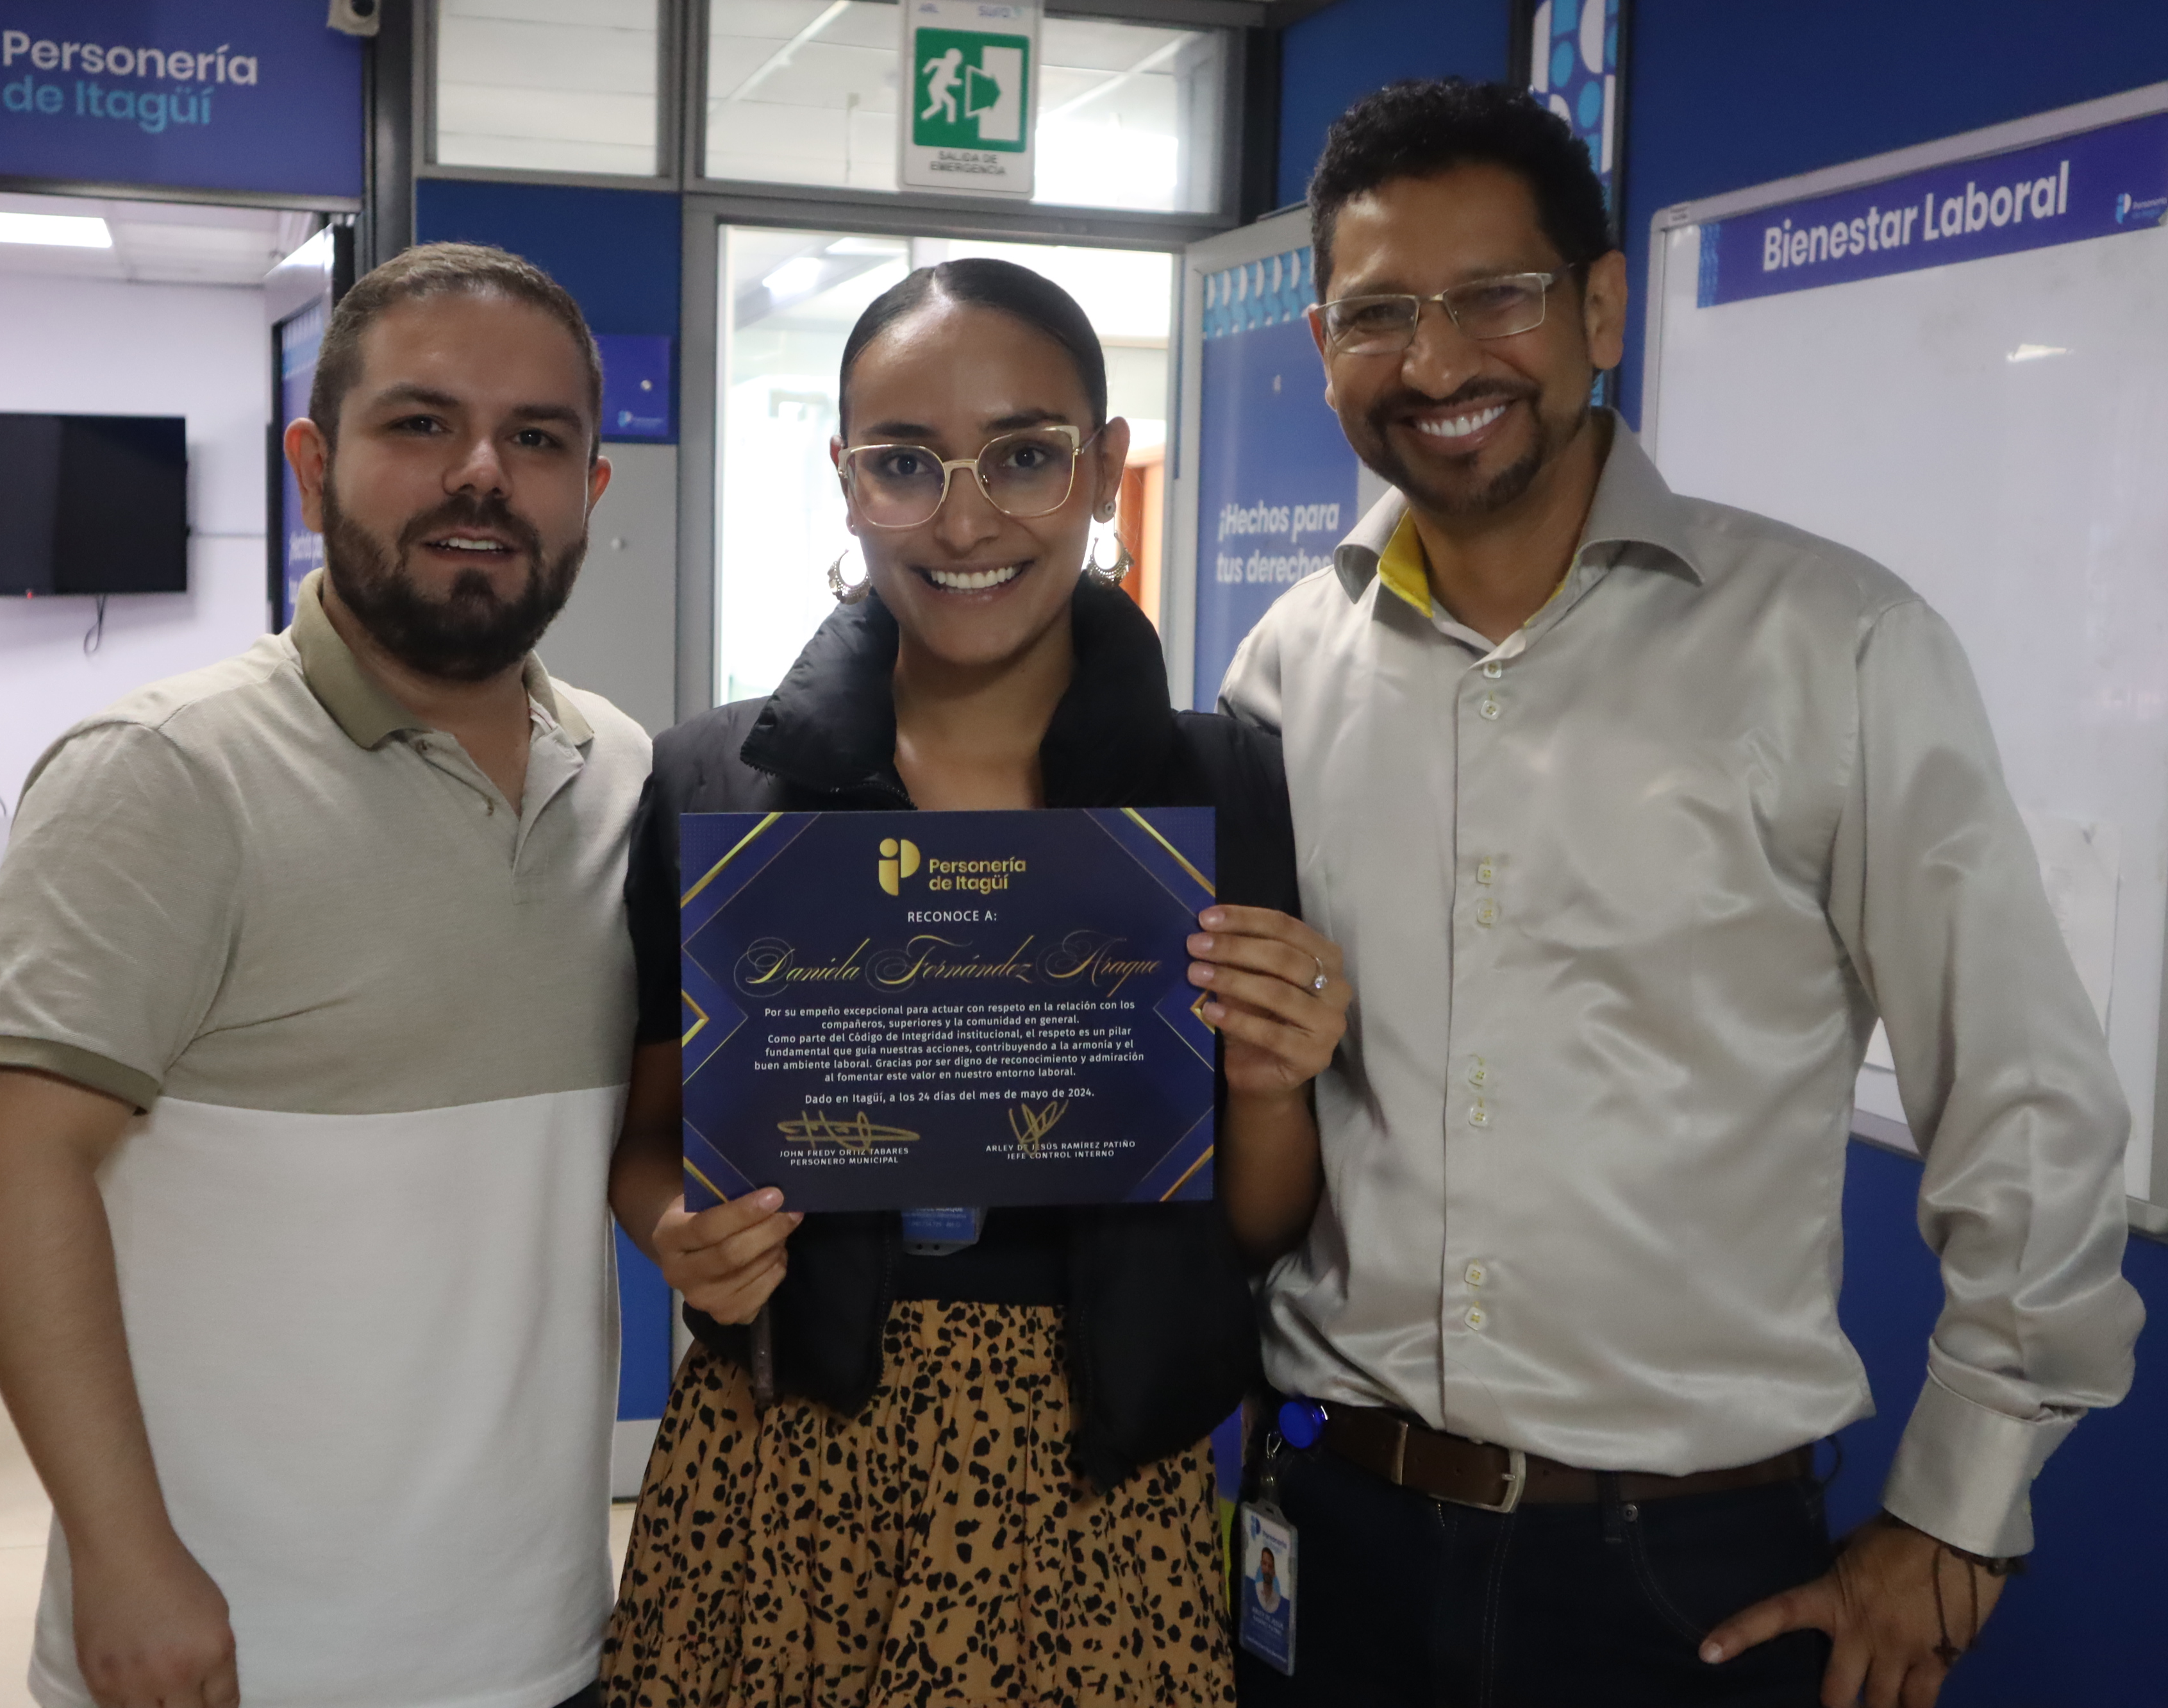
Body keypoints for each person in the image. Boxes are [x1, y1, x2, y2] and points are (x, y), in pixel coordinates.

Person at [1219, 78, 2142, 1708]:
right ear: (1323, 344)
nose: (1436, 363)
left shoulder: (1835, 646)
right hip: (1333, 1529)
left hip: (1677, 1573)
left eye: (1496, 296)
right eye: (1379, 314)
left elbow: (2025, 1095)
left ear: (1601, 308)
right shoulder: (1288, 669)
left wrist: (1962, 1511)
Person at [601, 258, 1351, 1707]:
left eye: (1023, 456)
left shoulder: (1220, 790)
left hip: (1098, 1480)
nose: (963, 520)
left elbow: (1257, 1227)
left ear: (1103, 467)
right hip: (780, 1462)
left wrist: (1271, 1082)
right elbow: (645, 1137)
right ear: (845, 480)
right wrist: (672, 1229)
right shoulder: (716, 784)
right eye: (904, 464)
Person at [0, 244, 647, 1708]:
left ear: (590, 489)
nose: (481, 475)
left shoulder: (626, 776)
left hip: (543, 1631)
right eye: (421, 422)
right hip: (235, 1649)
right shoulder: (162, 774)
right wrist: (122, 1555)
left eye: (536, 439)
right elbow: (8, 1166)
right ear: (313, 467)